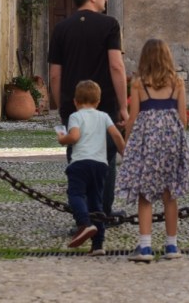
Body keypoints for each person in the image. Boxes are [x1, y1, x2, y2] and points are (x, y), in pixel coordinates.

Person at [48, 0, 129, 229]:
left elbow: (54, 74)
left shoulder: (61, 28)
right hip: (103, 103)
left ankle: (83, 216)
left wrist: (60, 104)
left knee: (78, 160)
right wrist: (124, 106)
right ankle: (102, 213)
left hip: (73, 105)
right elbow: (116, 65)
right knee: (106, 158)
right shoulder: (109, 25)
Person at [116, 38, 189, 262]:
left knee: (145, 194)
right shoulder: (178, 83)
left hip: (147, 145)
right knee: (170, 195)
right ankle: (171, 246)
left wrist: (129, 141)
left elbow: (132, 119)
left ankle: (145, 247)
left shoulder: (139, 84)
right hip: (171, 142)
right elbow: (183, 119)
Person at [57, 80, 126, 255]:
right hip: (101, 165)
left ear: (75, 102)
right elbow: (116, 136)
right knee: (97, 203)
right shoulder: (103, 116)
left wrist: (62, 139)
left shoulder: (75, 116)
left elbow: (74, 137)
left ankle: (85, 223)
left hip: (80, 163)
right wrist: (126, 153)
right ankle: (98, 245)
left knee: (76, 194)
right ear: (98, 101)